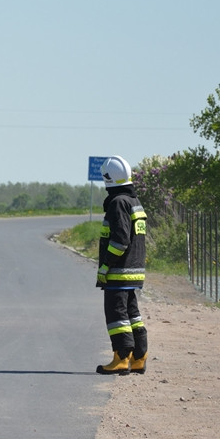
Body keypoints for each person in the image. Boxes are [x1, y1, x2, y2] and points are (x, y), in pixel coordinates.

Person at [95, 156, 149, 375]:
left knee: (117, 315)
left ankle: (121, 357)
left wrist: (105, 267)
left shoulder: (118, 203)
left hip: (120, 271)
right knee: (132, 314)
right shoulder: (133, 201)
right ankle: (139, 357)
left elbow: (120, 241)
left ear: (109, 179)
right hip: (134, 270)